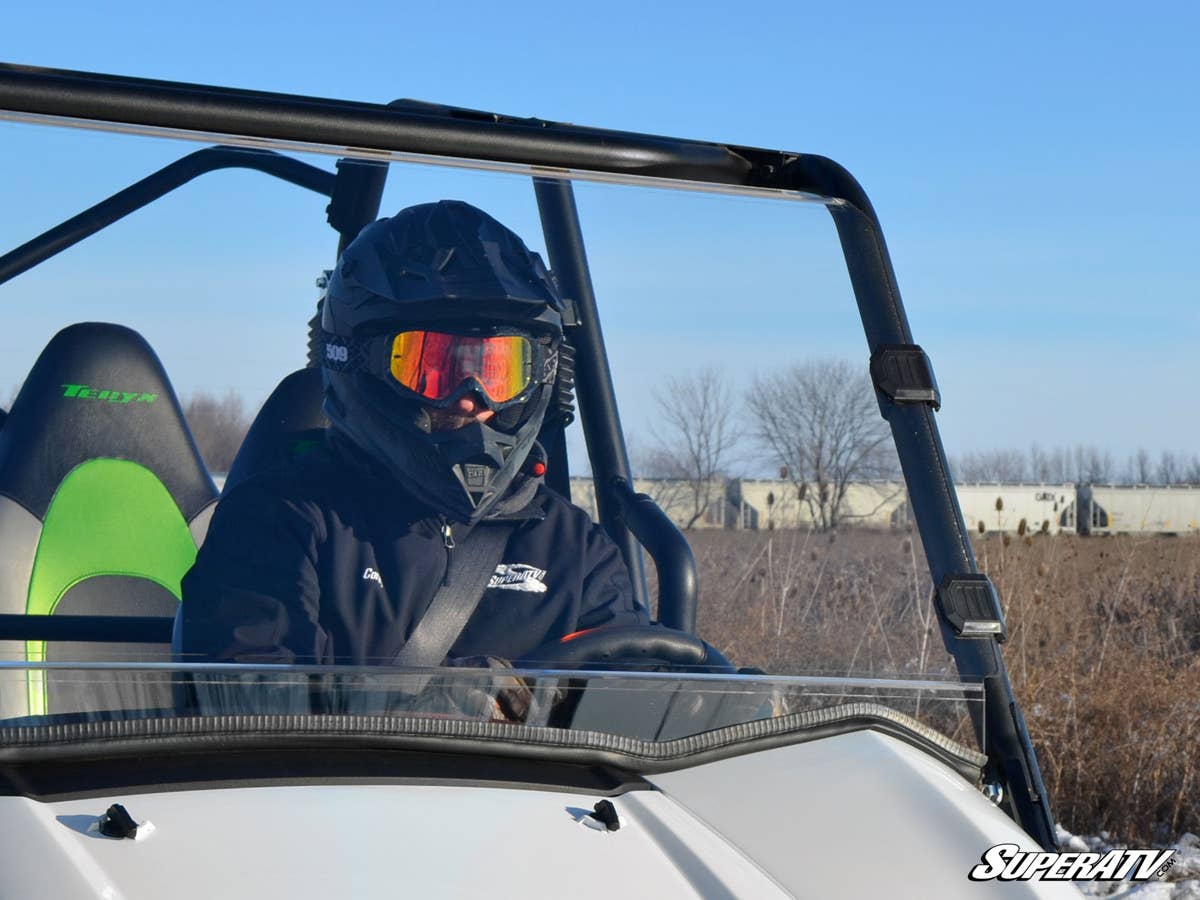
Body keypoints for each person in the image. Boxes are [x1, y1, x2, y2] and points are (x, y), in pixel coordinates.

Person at [180, 200, 648, 673]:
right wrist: (456, 704)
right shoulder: (281, 520)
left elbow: (632, 703)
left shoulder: (572, 547)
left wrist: (530, 704)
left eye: (501, 371)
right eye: (435, 368)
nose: (473, 398)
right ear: (359, 364)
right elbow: (253, 705)